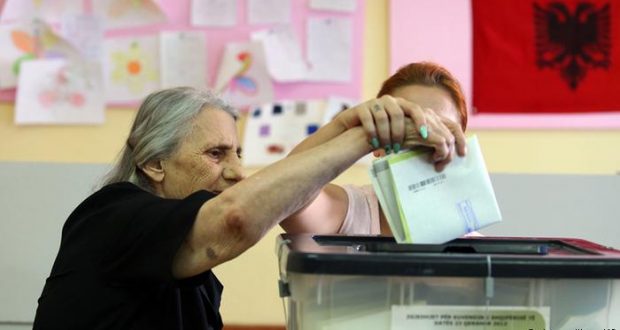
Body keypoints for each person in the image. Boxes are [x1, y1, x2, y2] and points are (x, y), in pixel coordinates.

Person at [33, 62, 466, 330]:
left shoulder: (193, 275)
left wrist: (342, 125)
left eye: (239, 152)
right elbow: (238, 217)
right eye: (216, 153)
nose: (239, 171)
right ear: (154, 163)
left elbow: (275, 188)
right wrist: (364, 135)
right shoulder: (111, 215)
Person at [281, 61, 468, 236]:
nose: (425, 143)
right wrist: (344, 125)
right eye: (407, 127)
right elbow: (283, 198)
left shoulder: (480, 246)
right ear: (377, 145)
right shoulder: (353, 212)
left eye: (441, 130)